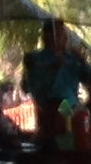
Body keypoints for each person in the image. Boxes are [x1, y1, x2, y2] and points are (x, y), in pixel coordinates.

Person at [23, 18, 84, 149]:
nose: (66, 38)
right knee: (51, 147)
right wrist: (53, 68)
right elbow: (30, 86)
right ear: (49, 36)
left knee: (72, 145)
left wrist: (82, 61)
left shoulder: (72, 59)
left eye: (65, 34)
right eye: (61, 34)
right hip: (49, 112)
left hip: (72, 110)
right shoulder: (36, 58)